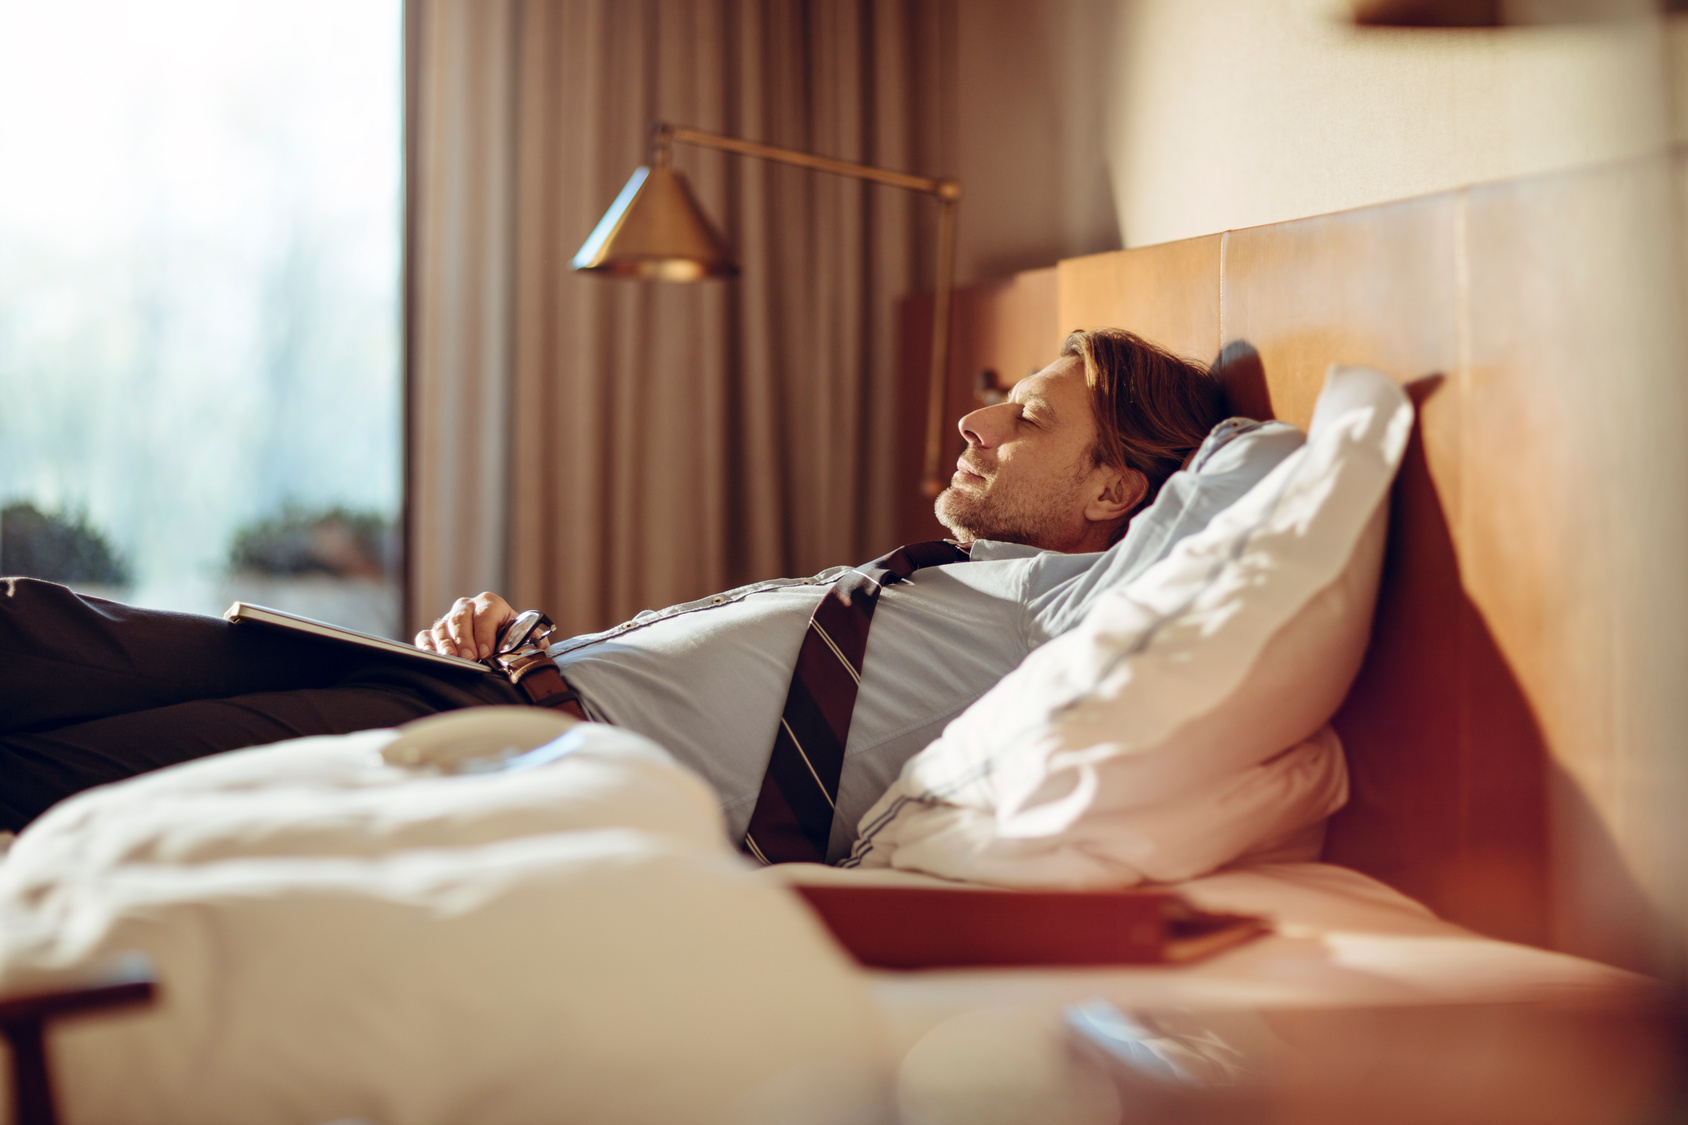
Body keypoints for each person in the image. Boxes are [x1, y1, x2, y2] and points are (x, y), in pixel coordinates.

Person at [0, 329, 1301, 857]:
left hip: (524, 766)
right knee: (37, 629)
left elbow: (1270, 482)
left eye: (1024, 417)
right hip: (491, 692)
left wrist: (1201, 419)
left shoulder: (1079, 619)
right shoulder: (971, 579)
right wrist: (519, 646)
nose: (971, 421)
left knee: (57, 767)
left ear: (1116, 494)